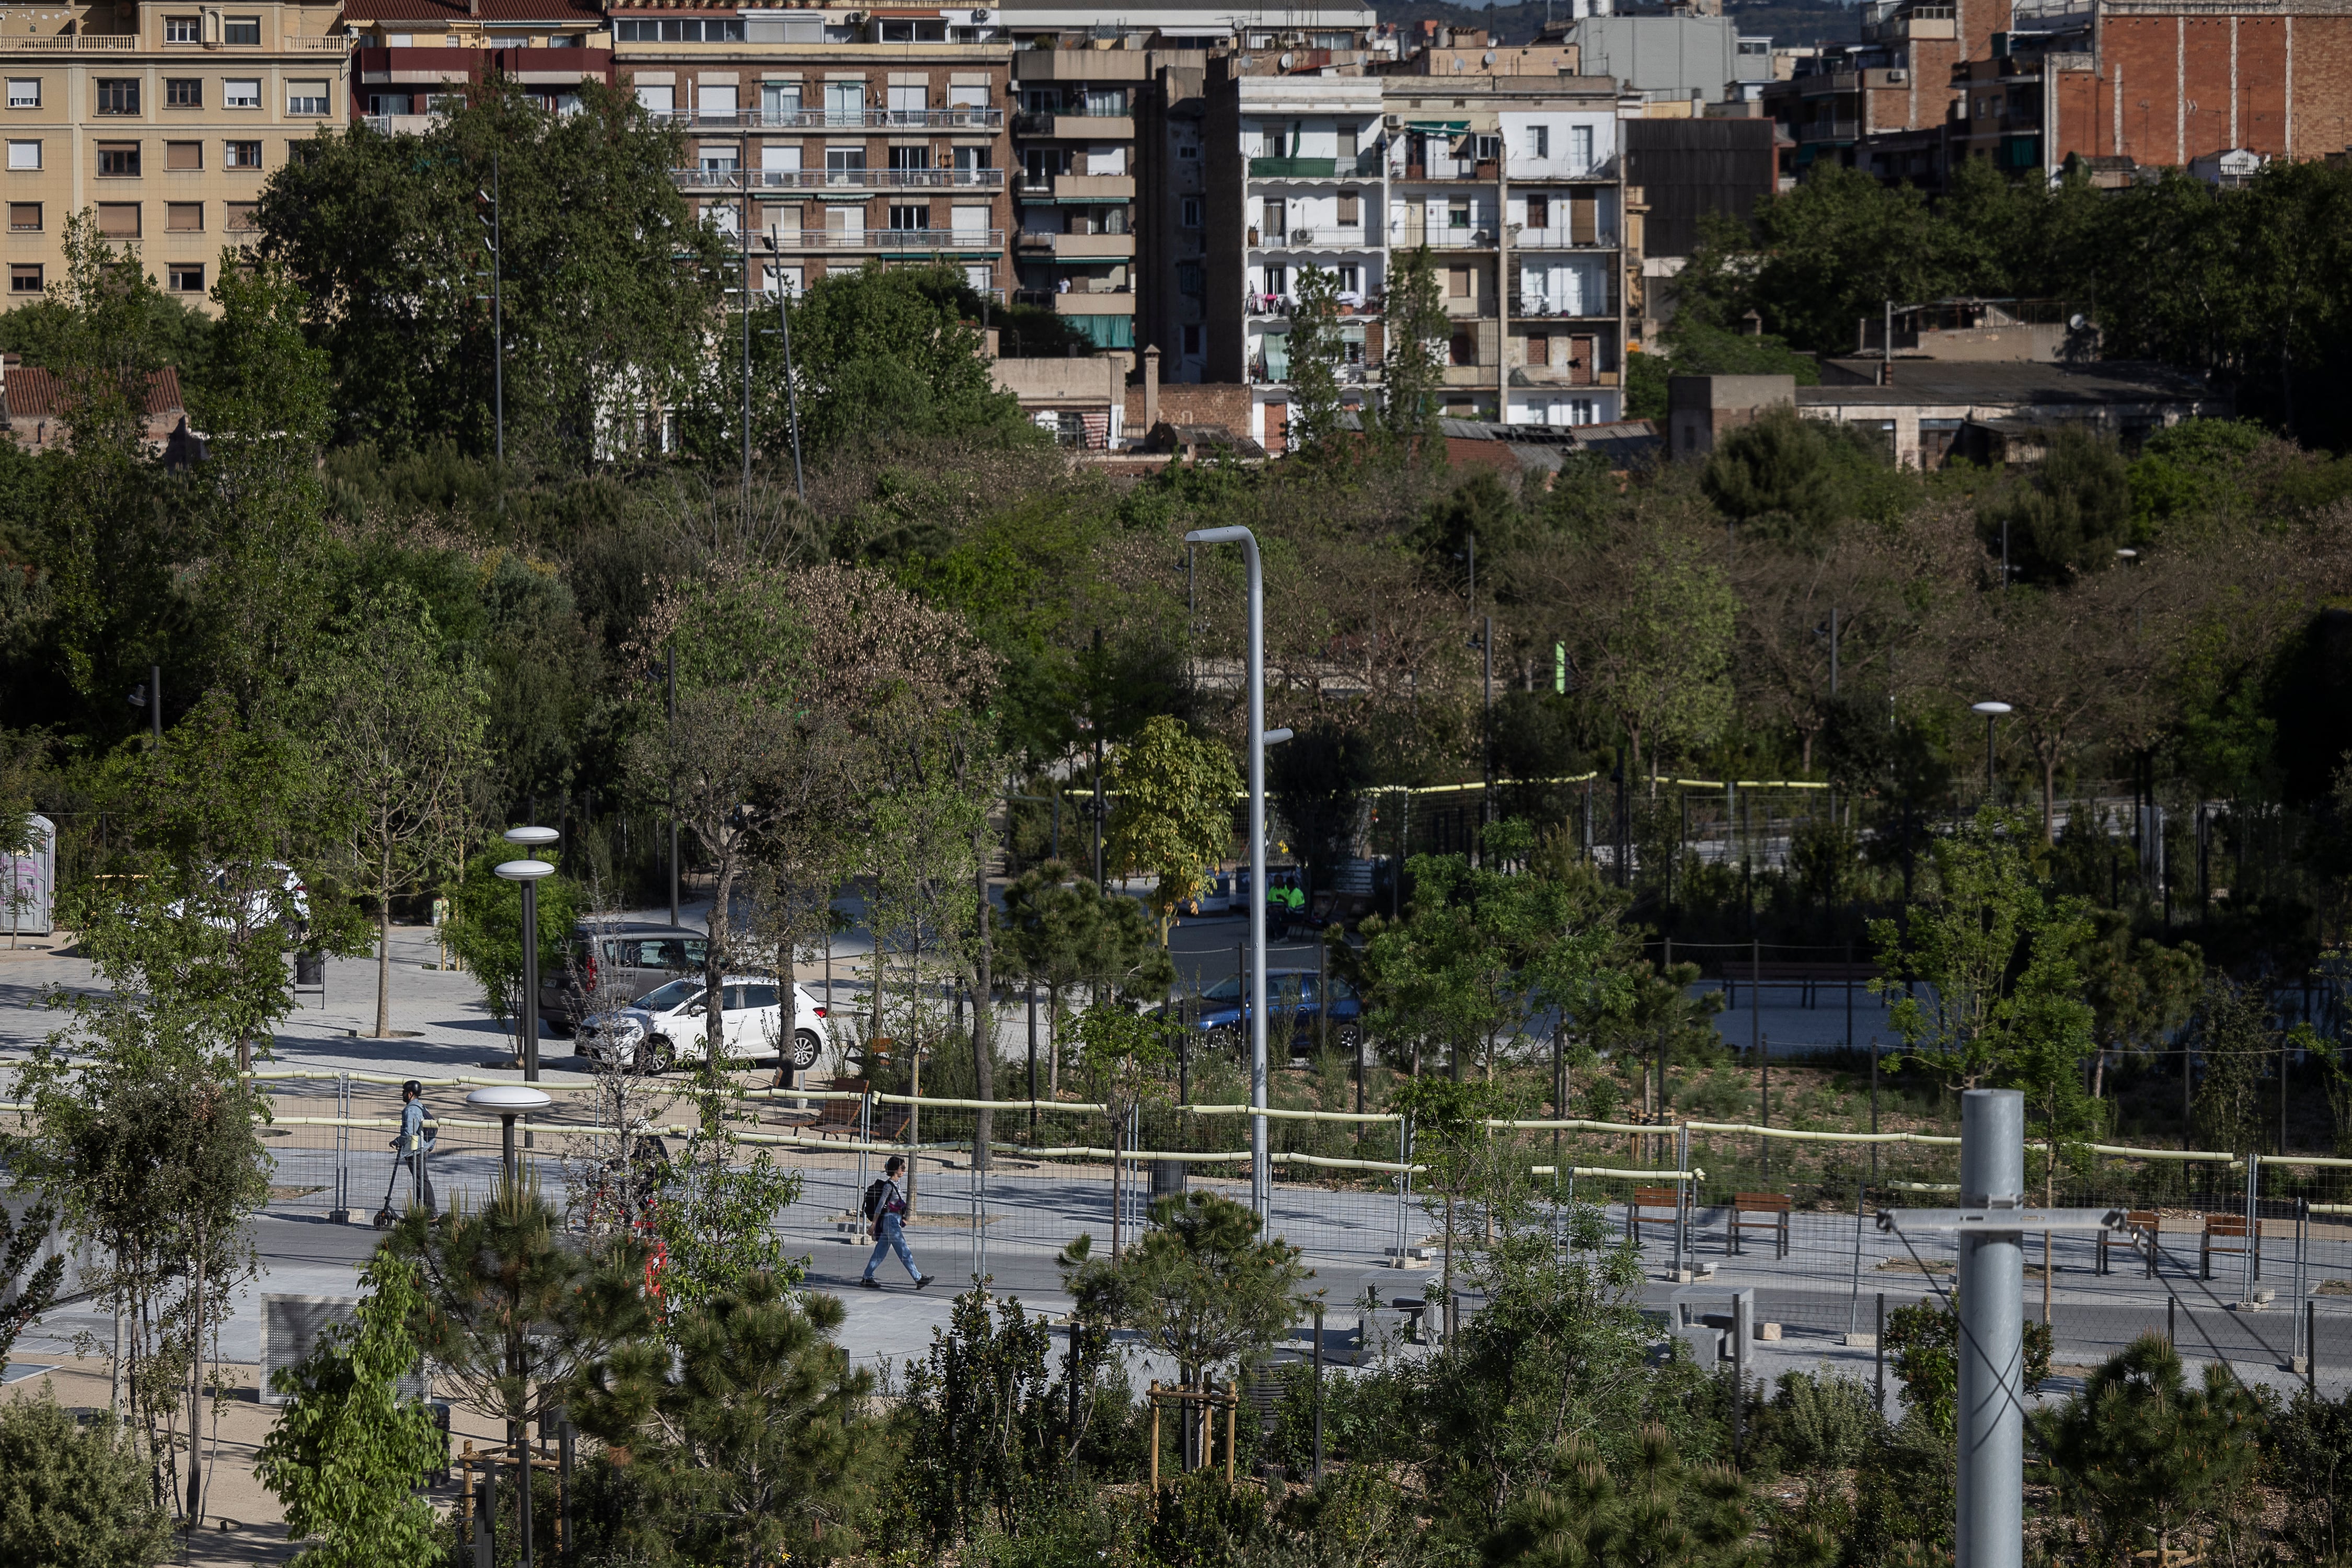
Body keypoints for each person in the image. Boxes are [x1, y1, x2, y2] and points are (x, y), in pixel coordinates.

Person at [858, 1155, 931, 1290]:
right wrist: (874, 1225)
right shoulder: (888, 1186)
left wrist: (902, 1217)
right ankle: (918, 1278)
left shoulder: (897, 1184)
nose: (904, 1170)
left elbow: (896, 1203)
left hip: (893, 1221)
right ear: (895, 1169)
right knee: (904, 1251)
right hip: (890, 1222)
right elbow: (881, 1205)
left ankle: (867, 1277)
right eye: (902, 1168)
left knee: (880, 1253)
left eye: (904, 1168)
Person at [398, 1080, 437, 1216]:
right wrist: (429, 1146)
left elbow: (409, 1133)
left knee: (422, 1180)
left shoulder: (411, 1110)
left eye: (404, 1092)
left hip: (415, 1151)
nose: (402, 1095)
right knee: (421, 1180)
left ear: (410, 1094)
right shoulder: (421, 1107)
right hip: (422, 1148)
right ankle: (423, 1211)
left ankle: (431, 1212)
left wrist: (397, 1141)